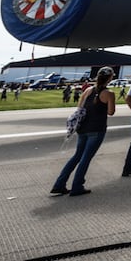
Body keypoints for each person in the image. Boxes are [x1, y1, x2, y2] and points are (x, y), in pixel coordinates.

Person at [51, 67, 116, 196]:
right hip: (97, 129)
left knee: (77, 156)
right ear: (110, 78)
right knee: (86, 158)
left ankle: (59, 184)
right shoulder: (109, 93)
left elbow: (79, 108)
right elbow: (110, 112)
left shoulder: (87, 90)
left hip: (83, 128)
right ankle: (77, 186)